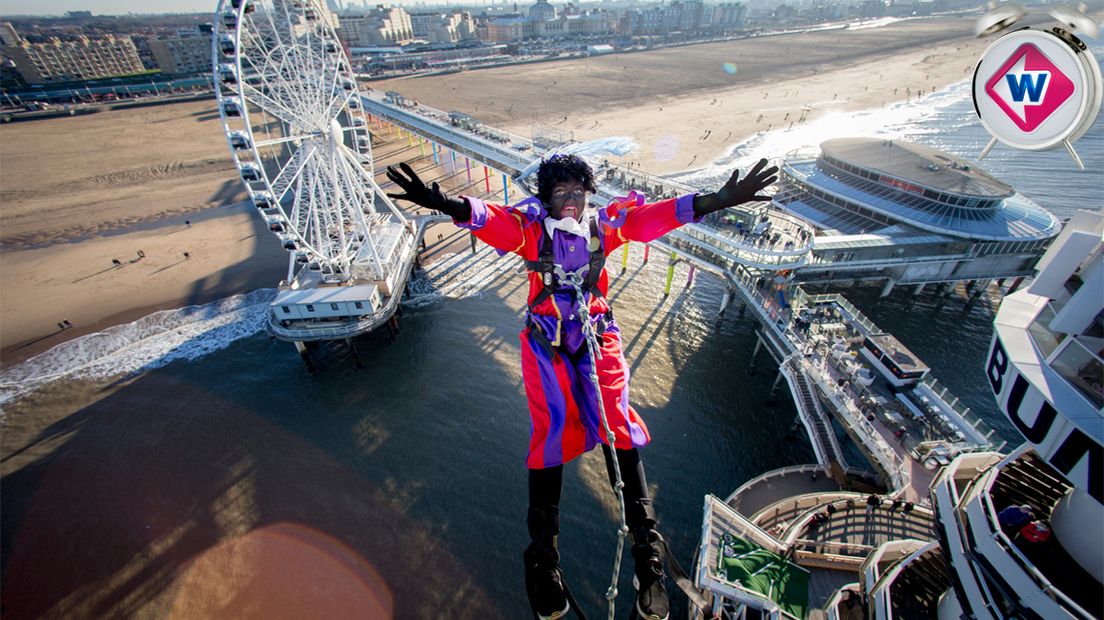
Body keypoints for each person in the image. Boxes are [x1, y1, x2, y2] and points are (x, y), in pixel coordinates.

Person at [386, 155, 777, 620]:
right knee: (551, 429)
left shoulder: (604, 226)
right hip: (548, 341)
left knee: (617, 422)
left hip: (595, 334)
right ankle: (542, 557)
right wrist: (445, 203)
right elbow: (491, 220)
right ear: (546, 198)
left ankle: (647, 556)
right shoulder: (532, 230)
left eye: (577, 192)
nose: (570, 201)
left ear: (588, 194)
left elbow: (651, 220)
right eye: (560, 194)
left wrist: (715, 201)